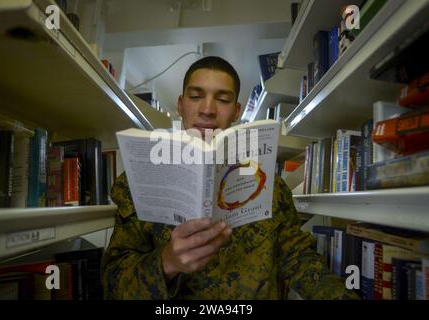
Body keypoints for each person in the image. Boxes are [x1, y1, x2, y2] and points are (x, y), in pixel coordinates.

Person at [101, 56, 358, 299]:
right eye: (196, 96)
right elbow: (114, 284)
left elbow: (299, 259)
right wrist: (167, 262)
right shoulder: (137, 182)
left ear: (236, 111)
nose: (208, 109)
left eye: (222, 99)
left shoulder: (271, 186)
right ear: (180, 105)